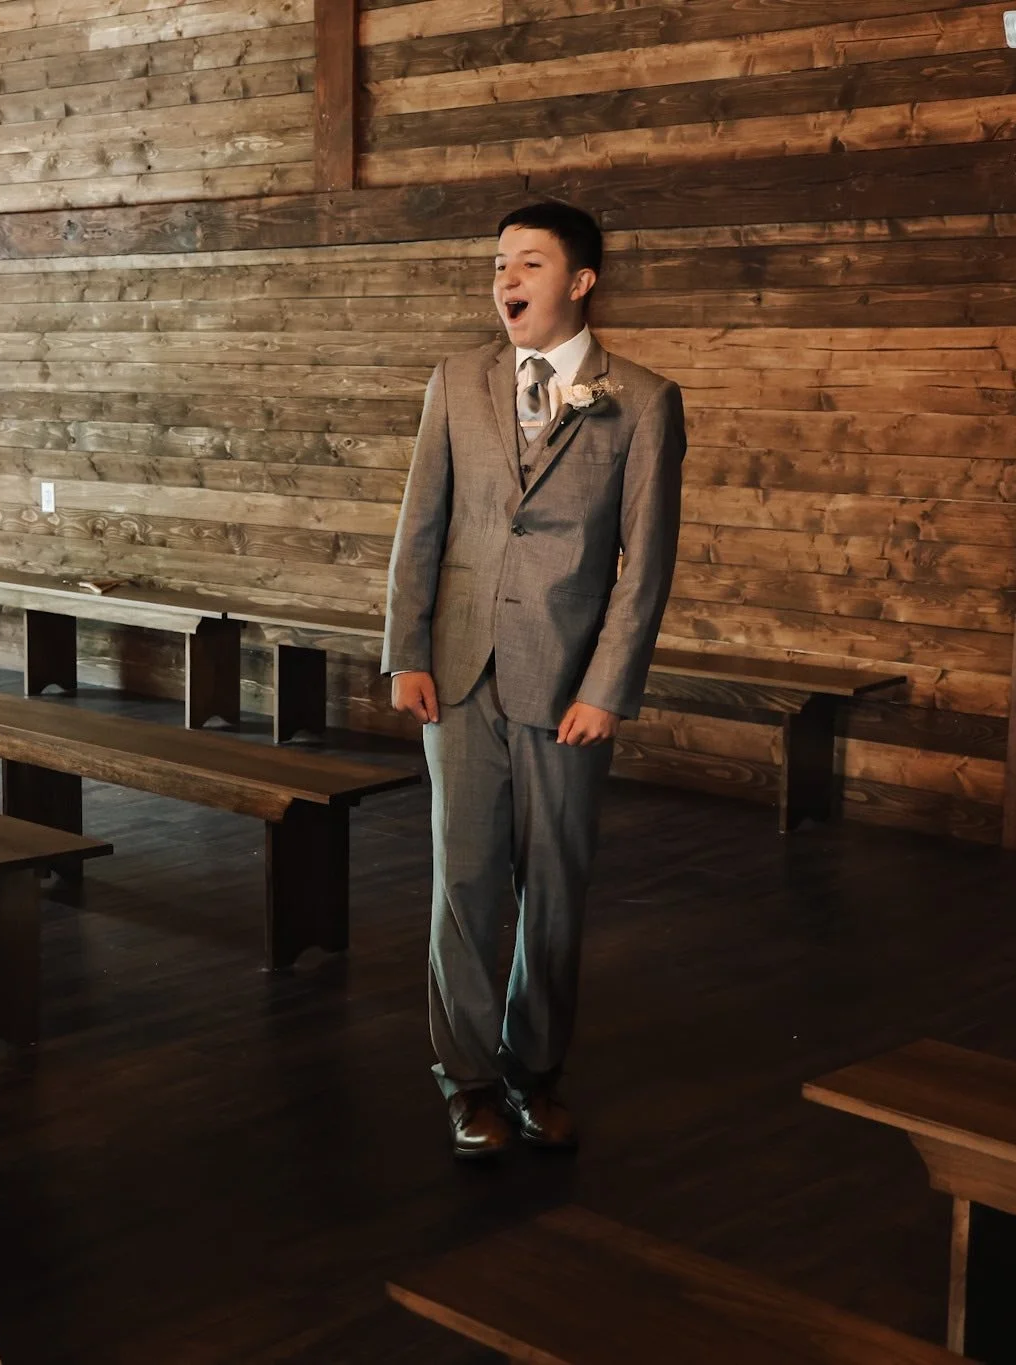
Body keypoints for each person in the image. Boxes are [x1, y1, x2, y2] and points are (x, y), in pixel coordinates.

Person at [382, 200, 686, 1160]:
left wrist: (609, 684)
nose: (506, 279)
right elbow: (418, 528)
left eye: (529, 263)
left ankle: (535, 1071)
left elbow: (646, 563)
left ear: (580, 281)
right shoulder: (455, 382)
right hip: (460, 672)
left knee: (555, 888)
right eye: (499, 263)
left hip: (567, 689)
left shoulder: (640, 398)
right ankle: (467, 1082)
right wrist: (407, 651)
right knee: (463, 884)